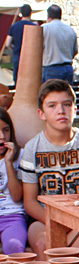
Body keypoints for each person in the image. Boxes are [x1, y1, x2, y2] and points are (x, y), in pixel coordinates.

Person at [19, 80, 79, 259]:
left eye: (66, 105)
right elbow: (29, 202)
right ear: (41, 113)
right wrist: (58, 221)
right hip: (44, 218)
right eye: (52, 106)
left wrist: (76, 220)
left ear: (75, 110)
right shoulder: (32, 148)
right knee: (43, 244)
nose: (61, 111)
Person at [0, 108, 26, 254]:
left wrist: (9, 163)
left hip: (12, 215)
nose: (2, 136)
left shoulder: (20, 155)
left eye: (6, 130)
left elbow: (17, 197)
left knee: (14, 245)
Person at [41, 5, 77, 84]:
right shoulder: (70, 30)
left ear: (48, 16)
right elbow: (74, 51)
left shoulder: (44, 28)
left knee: (51, 93)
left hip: (51, 67)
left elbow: (36, 49)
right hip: (68, 67)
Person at [3, 4, 36, 86]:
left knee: (17, 81)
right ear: (30, 13)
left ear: (20, 13)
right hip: (30, 57)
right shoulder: (34, 27)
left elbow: (8, 43)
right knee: (29, 80)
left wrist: (13, 48)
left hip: (17, 55)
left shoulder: (14, 26)